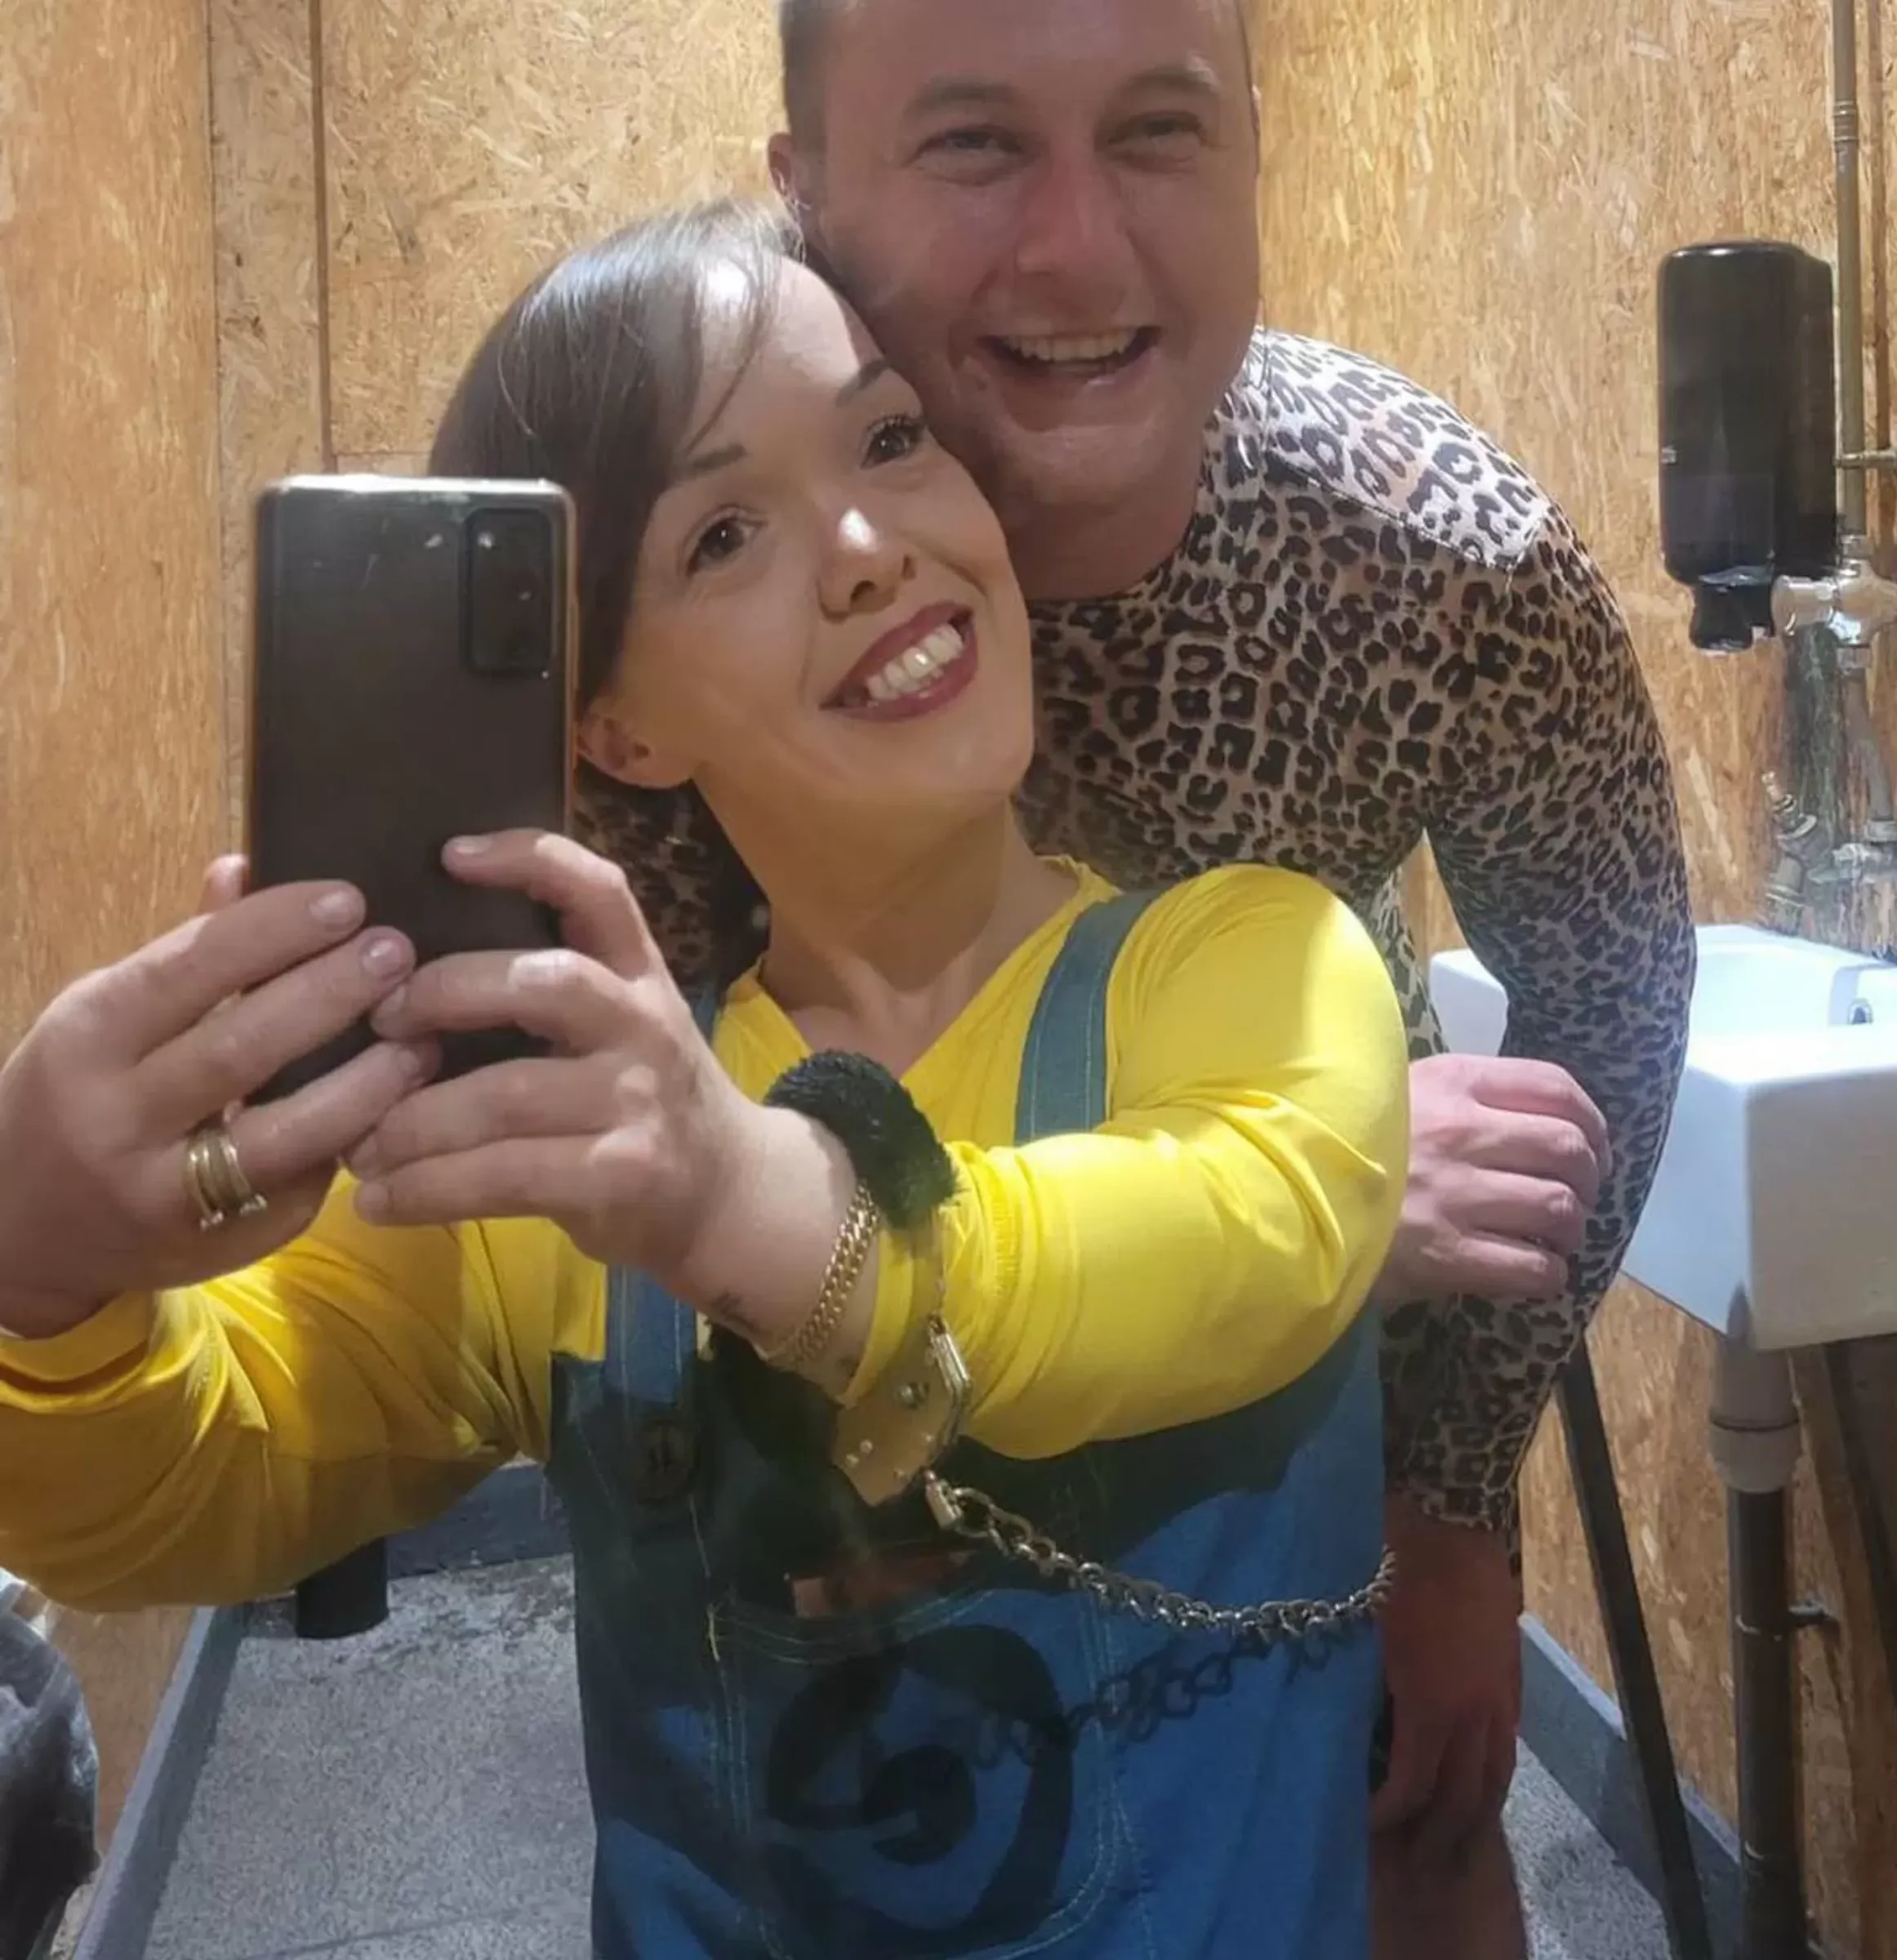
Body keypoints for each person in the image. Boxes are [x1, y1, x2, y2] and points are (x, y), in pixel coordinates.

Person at [0, 199, 1413, 1959]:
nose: (868, 547)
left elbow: (1237, 1236)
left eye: (889, 440)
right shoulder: (570, 1131)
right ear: (615, 726)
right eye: (725, 534)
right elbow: (187, 1490)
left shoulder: (1255, 964)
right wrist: (45, 1276)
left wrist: (745, 1204)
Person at [750, 2, 1698, 1949]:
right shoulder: (702, 571)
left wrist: (1457, 1501)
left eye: (1159, 131)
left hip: (1320, 1466)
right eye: (973, 143)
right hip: (844, 1488)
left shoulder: (1427, 558)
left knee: (1410, 1846)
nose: (1079, 247)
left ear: (1256, 146)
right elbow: (634, 1145)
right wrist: (1321, 1193)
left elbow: (1613, 993)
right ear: (803, 193)